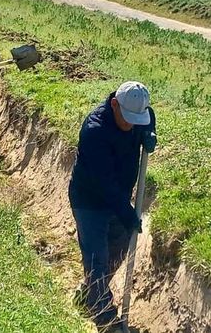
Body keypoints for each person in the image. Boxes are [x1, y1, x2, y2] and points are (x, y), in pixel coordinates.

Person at [69, 81, 157, 333]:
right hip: (90, 200)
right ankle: (106, 319)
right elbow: (104, 184)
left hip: (117, 197)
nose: (131, 125)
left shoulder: (138, 113)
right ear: (114, 104)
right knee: (97, 259)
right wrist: (127, 212)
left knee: (118, 248)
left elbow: (149, 117)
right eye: (127, 119)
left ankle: (90, 292)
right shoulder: (95, 130)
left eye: (135, 119)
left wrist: (150, 132)